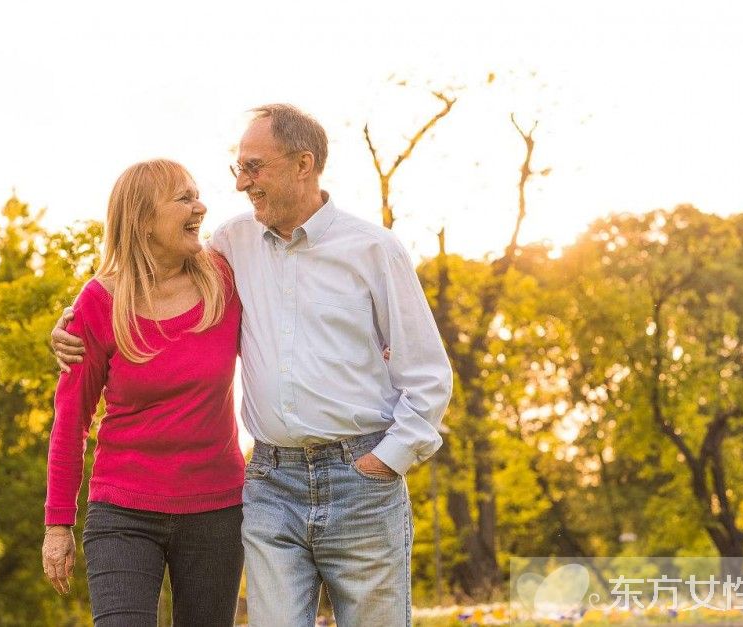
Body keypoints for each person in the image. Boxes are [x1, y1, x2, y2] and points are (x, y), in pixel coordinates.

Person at [53, 105, 453, 626]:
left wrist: (387, 459)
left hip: (357, 479)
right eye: (237, 169)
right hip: (270, 482)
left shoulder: (370, 250)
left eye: (254, 167)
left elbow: (426, 372)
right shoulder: (232, 244)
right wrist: (72, 323)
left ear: (302, 164)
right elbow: (137, 282)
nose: (241, 184)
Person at [42, 159, 245, 627]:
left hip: (216, 509)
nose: (201, 206)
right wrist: (58, 524)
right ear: (142, 219)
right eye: (184, 198)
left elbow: (292, 316)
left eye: (197, 194)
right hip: (123, 511)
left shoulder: (225, 280)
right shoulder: (98, 302)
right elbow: (70, 423)